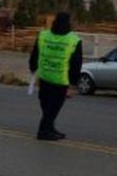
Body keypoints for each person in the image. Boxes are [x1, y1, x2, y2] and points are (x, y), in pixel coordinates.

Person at [29, 11, 82, 141]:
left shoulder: (43, 35)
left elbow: (35, 53)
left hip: (45, 76)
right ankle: (43, 131)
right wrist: (73, 83)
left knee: (46, 105)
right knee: (53, 107)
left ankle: (50, 128)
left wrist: (33, 68)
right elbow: (76, 63)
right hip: (61, 79)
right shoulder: (73, 40)